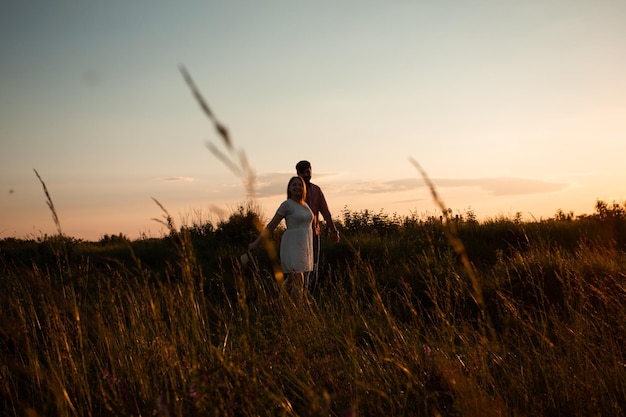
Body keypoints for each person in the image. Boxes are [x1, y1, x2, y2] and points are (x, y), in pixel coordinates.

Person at [249, 176, 313, 304]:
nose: (297, 187)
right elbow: (271, 225)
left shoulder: (305, 205)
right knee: (298, 277)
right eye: (294, 185)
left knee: (291, 279)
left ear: (304, 188)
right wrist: (257, 242)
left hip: (305, 244)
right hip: (292, 245)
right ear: (289, 188)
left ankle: (278, 303)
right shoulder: (287, 205)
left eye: (300, 185)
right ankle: (297, 309)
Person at [295, 160, 340, 294]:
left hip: (313, 234)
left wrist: (334, 231)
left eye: (308, 172)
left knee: (314, 266)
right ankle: (298, 296)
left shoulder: (316, 190)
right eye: (304, 173)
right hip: (298, 235)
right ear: (298, 174)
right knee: (299, 267)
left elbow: (326, 213)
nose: (307, 175)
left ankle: (309, 296)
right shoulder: (295, 190)